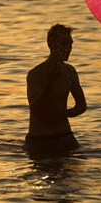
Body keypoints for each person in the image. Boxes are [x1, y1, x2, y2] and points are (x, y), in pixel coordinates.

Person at [24, 24, 87, 158]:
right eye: (64, 44)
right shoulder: (36, 73)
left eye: (70, 44)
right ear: (51, 45)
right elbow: (35, 108)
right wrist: (49, 82)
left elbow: (81, 106)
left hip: (65, 137)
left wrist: (62, 114)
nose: (68, 48)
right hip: (39, 140)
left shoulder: (69, 71)